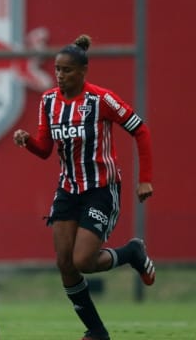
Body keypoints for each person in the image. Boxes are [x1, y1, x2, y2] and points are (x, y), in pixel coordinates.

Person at [13, 34, 155, 340]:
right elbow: (45, 150)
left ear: (82, 72)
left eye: (66, 70)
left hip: (101, 188)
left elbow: (140, 129)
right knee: (65, 263)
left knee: (83, 261)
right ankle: (96, 330)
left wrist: (144, 178)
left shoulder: (101, 100)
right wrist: (28, 143)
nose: (60, 75)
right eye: (57, 70)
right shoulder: (48, 102)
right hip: (68, 189)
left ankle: (132, 252)